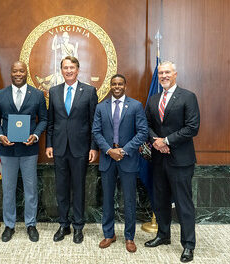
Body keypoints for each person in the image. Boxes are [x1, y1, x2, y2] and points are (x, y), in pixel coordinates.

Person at [144, 61, 200, 263]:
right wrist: (156, 142)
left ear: (175, 74)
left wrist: (166, 141)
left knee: (184, 204)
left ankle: (188, 245)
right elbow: (146, 125)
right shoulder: (153, 99)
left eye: (167, 72)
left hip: (181, 160)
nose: (164, 76)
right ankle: (163, 235)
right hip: (159, 159)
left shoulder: (188, 97)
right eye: (160, 73)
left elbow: (192, 127)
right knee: (161, 200)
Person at [0, 61, 47, 242]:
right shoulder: (0, 95)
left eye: (21, 70)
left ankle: (31, 224)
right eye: (15, 70)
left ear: (26, 72)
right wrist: (0, 136)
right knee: (8, 190)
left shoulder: (37, 95)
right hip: (7, 150)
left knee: (30, 189)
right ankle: (9, 225)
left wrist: (36, 135)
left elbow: (44, 120)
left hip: (29, 149)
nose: (18, 74)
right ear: (11, 72)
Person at [92, 74, 148, 252]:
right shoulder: (101, 107)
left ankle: (129, 237)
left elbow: (142, 132)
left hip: (128, 159)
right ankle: (109, 234)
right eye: (114, 84)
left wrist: (123, 151)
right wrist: (109, 150)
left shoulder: (135, 106)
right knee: (107, 199)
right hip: (108, 159)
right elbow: (96, 131)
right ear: (110, 86)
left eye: (120, 84)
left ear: (125, 85)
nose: (117, 87)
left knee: (129, 200)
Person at [46, 56, 98, 244]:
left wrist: (94, 147)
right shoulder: (53, 91)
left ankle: (78, 227)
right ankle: (63, 225)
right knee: (61, 189)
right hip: (59, 148)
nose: (68, 70)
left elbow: (94, 123)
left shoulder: (90, 91)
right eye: (65, 67)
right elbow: (51, 122)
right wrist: (49, 144)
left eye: (72, 67)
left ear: (78, 70)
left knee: (78, 188)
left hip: (81, 148)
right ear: (61, 70)